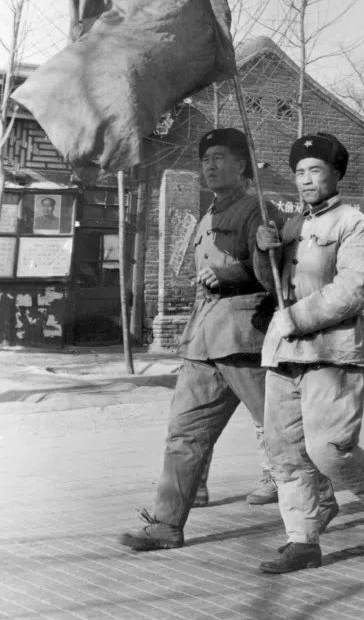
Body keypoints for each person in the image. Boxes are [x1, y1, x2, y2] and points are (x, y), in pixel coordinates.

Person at [119, 128, 283, 552]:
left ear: (242, 165)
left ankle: (324, 505)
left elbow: (273, 276)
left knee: (282, 430)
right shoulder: (207, 217)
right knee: (184, 434)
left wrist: (234, 271)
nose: (209, 166)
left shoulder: (258, 210)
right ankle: (166, 524)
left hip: (244, 340)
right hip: (203, 342)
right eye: (205, 159)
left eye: (219, 158)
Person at [253, 131, 364, 574]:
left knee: (329, 449)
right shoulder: (291, 225)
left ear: (336, 174)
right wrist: (265, 251)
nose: (305, 180)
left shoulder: (355, 224)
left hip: (331, 351)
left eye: (314, 171)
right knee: (285, 451)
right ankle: (303, 539)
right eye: (299, 173)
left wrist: (297, 319)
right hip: (283, 353)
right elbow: (273, 285)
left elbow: (353, 290)